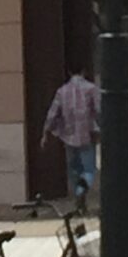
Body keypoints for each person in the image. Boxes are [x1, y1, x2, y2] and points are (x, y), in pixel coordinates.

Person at [44, 67, 101, 208]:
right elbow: (100, 110)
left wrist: (46, 132)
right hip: (87, 136)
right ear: (84, 72)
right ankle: (82, 193)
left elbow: (52, 115)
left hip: (68, 137)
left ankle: (77, 196)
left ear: (69, 73)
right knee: (88, 169)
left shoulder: (62, 91)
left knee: (74, 169)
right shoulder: (91, 89)